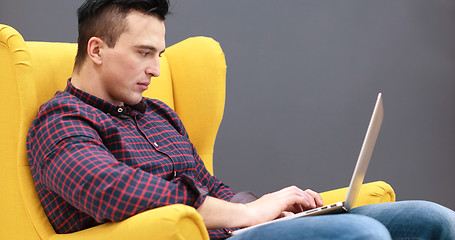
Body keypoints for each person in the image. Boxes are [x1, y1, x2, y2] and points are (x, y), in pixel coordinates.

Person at [26, 0, 455, 239]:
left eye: (159, 54)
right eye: (144, 53)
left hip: (234, 232)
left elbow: (209, 186)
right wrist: (247, 217)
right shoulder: (61, 121)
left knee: (433, 219)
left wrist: (269, 206)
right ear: (97, 50)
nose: (156, 69)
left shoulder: (159, 115)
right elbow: (113, 191)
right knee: (362, 236)